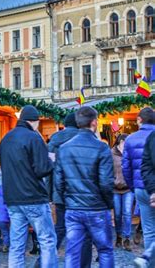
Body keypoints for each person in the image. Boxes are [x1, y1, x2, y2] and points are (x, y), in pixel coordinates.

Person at [55, 106, 114, 268]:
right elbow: (106, 183)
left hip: (74, 207)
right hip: (97, 208)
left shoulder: (64, 148)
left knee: (73, 251)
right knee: (105, 250)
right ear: (94, 122)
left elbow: (58, 181)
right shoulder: (102, 147)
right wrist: (109, 204)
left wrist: (67, 201)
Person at [0, 105, 57, 268]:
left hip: (12, 198)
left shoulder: (5, 139)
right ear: (35, 121)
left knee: (17, 244)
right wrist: (51, 161)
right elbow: (42, 169)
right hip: (33, 197)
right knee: (47, 240)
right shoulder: (34, 137)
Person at [48, 112, 93, 266]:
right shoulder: (86, 140)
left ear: (65, 125)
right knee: (85, 233)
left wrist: (51, 194)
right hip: (82, 194)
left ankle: (42, 262)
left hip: (60, 193)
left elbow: (49, 169)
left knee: (59, 229)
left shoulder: (54, 140)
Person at [122, 108, 155, 267]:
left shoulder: (130, 139)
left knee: (148, 228)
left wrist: (133, 186)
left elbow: (126, 167)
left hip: (141, 187)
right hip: (149, 185)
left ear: (140, 120)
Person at [136, 130, 155, 267]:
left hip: (143, 188)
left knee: (149, 230)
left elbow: (145, 166)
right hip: (148, 189)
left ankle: (148, 257)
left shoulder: (152, 136)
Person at [111, 133, 133, 251]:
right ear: (120, 141)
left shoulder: (129, 153)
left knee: (127, 213)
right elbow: (108, 170)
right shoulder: (111, 153)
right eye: (125, 142)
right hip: (115, 189)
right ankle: (119, 236)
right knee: (118, 214)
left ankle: (127, 238)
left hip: (128, 189)